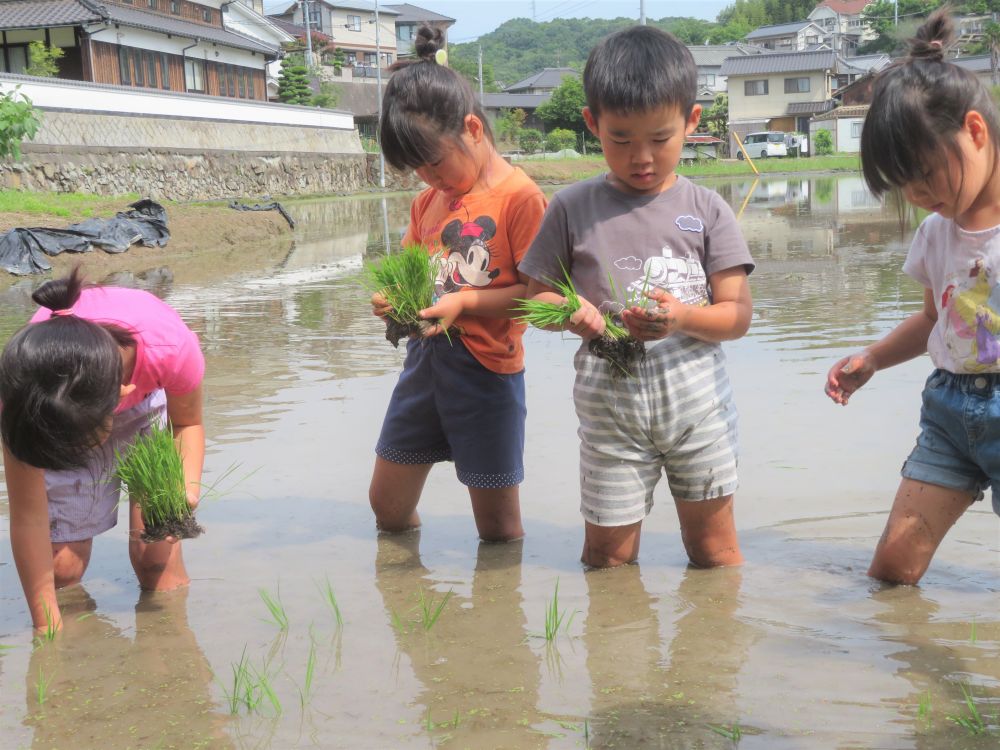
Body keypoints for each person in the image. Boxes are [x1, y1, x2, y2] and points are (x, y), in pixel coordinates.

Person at [519, 26, 754, 568]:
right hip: (609, 406)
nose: (641, 157)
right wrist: (571, 313)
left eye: (660, 138)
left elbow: (737, 316)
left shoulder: (709, 209)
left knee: (714, 553)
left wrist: (682, 318)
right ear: (591, 124)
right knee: (607, 559)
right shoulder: (571, 207)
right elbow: (535, 301)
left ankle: (714, 650)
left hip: (697, 403)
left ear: (692, 123)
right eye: (621, 139)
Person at [825, 10, 1000, 585]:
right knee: (893, 570)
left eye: (926, 175)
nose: (920, 196)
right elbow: (933, 318)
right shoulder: (936, 232)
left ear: (975, 131)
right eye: (905, 187)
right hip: (950, 415)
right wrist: (872, 358)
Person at [368, 27, 547, 542]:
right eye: (417, 168)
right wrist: (394, 301)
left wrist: (465, 300)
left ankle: (494, 617)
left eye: (435, 161)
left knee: (497, 525)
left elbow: (538, 298)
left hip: (487, 374)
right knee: (387, 505)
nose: (429, 178)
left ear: (472, 128)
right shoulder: (427, 203)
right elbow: (412, 275)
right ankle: (406, 592)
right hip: (424, 366)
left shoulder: (520, 198)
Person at [1, 268, 205, 632]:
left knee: (156, 558)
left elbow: (187, 422)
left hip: (140, 404)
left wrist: (186, 489)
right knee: (62, 567)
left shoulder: (169, 347)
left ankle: (170, 653)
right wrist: (46, 631)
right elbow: (28, 516)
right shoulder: (21, 395)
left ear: (120, 397)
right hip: (64, 414)